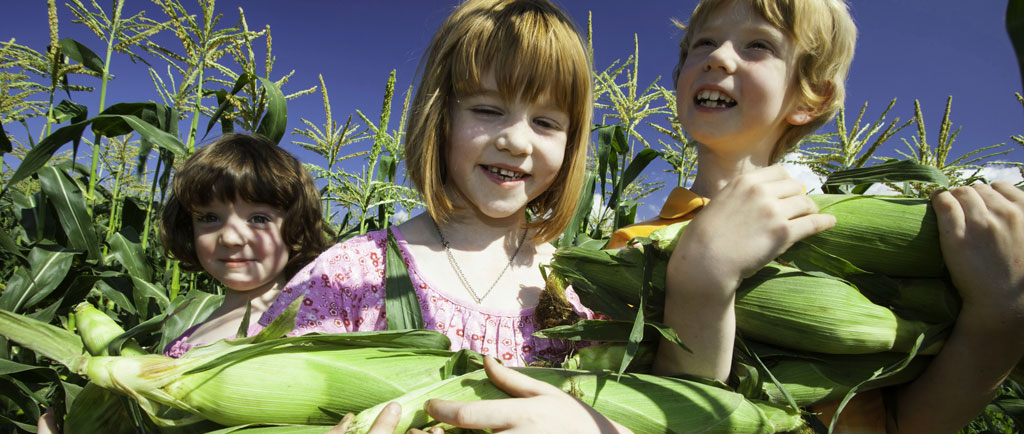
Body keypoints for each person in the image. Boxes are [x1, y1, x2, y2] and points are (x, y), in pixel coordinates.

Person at [609, 1, 1024, 433]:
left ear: (813, 98)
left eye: (757, 45)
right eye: (704, 43)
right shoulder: (631, 248)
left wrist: (1000, 314)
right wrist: (701, 279)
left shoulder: (854, 240)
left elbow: (905, 422)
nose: (718, 57)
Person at [260, 1, 633, 432]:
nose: (515, 141)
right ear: (441, 116)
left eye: (546, 122)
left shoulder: (585, 300)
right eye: (488, 110)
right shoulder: (349, 277)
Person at [160, 133, 333, 357]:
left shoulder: (309, 325)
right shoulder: (189, 333)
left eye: (259, 219)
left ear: (298, 227)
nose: (231, 238)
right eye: (210, 218)